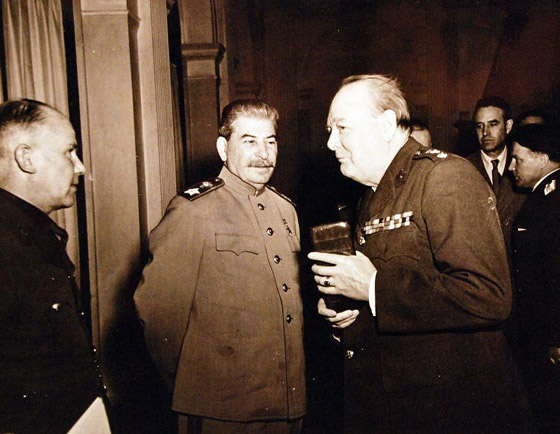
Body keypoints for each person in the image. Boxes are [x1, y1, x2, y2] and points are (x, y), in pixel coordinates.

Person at [308, 75, 533, 433]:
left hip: (449, 411)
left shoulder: (444, 177)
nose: (331, 142)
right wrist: (351, 311)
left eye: (342, 128)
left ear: (385, 125)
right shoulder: (373, 194)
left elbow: (488, 295)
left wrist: (372, 289)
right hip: (396, 405)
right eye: (330, 130)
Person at [134, 99, 306, 433]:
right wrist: (192, 384)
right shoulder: (194, 210)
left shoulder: (285, 210)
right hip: (220, 409)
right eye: (249, 141)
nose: (264, 154)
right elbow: (158, 314)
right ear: (223, 148)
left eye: (270, 142)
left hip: (285, 406)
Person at [0, 99, 106, 433]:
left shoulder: (34, 233)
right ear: (26, 158)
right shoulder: (7, 244)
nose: (81, 167)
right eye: (69, 152)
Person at [509, 124, 560, 432]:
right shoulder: (541, 196)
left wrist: (556, 337)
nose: (511, 167)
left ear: (541, 159)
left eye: (518, 159)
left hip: (548, 333)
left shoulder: (551, 201)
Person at [467, 97, 527, 256]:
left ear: (508, 126)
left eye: (493, 124)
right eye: (480, 126)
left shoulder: (525, 167)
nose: (485, 133)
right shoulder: (463, 168)